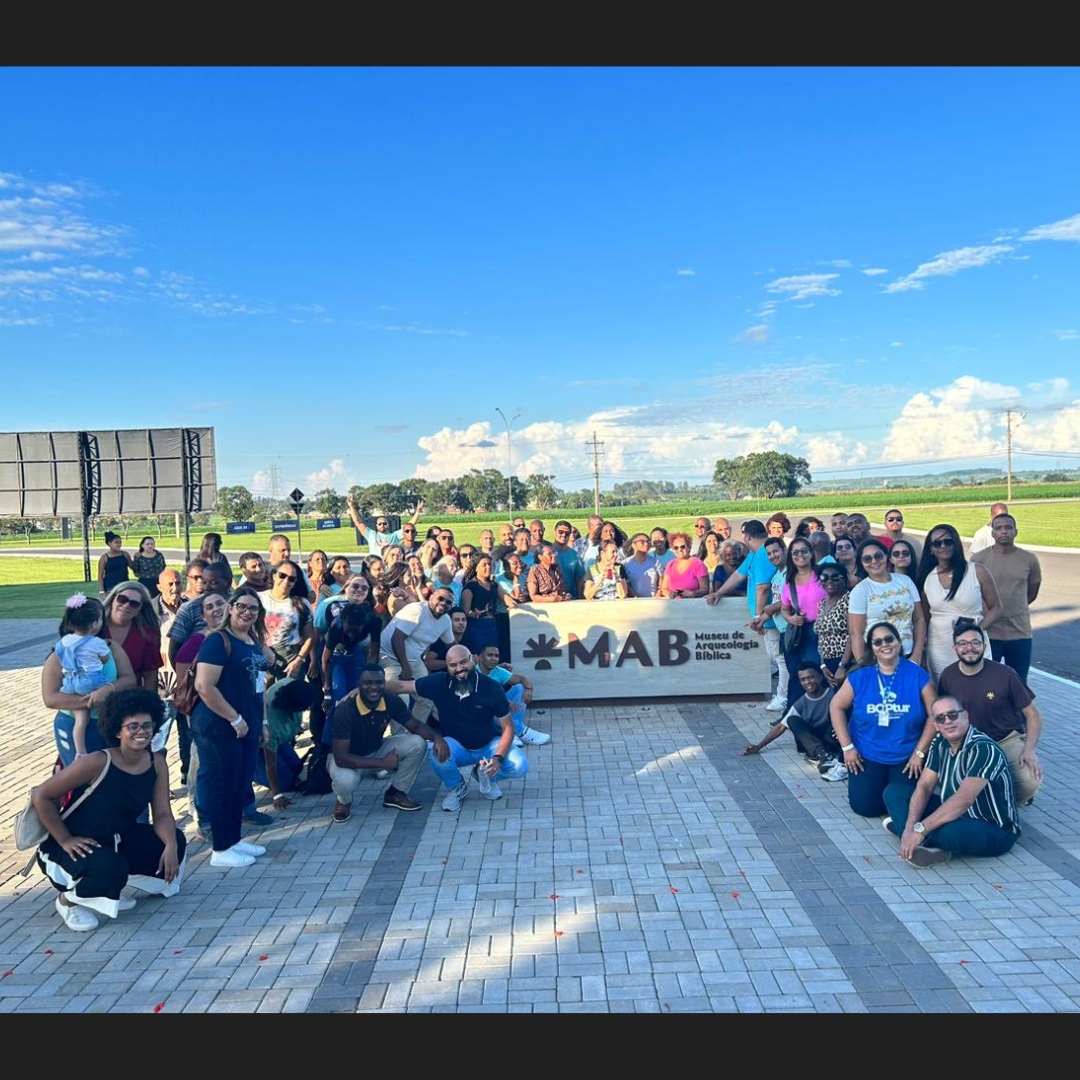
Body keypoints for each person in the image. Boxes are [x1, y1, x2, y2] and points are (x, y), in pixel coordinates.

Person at [33, 687, 185, 932]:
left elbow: (163, 815)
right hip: (68, 847)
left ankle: (112, 886)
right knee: (112, 868)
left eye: (147, 726)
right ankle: (68, 901)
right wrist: (65, 839)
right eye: (133, 726)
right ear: (117, 730)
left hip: (112, 840)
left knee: (174, 839)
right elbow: (42, 795)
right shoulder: (98, 761)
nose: (141, 732)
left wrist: (170, 846)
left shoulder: (156, 762)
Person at [881, 695, 1020, 867]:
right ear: (936, 725)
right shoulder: (940, 743)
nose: (947, 721)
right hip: (954, 812)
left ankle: (914, 839)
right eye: (940, 718)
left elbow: (963, 800)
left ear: (966, 716)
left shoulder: (983, 748)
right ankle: (913, 840)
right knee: (894, 792)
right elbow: (924, 787)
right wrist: (911, 827)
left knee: (946, 830)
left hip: (993, 828)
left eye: (953, 715)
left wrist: (921, 829)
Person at [390, 645, 529, 812]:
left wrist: (498, 758)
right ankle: (457, 787)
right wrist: (362, 688)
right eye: (453, 665)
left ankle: (484, 772)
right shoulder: (439, 682)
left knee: (520, 765)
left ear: (473, 660)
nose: (459, 669)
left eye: (464, 662)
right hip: (458, 746)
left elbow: (508, 727)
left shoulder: (491, 687)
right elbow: (401, 687)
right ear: (447, 667)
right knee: (437, 754)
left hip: (488, 744)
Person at [191, 587, 272, 868]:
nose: (247, 613)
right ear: (230, 608)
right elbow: (204, 685)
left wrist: (260, 722)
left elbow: (257, 686)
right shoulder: (218, 641)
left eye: (253, 609)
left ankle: (234, 839)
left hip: (247, 725)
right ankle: (221, 849)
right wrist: (234, 718)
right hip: (218, 725)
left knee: (239, 784)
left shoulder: (252, 641)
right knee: (222, 786)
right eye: (242, 606)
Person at [828, 621, 937, 818]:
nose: (885, 644)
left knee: (907, 802)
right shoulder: (860, 677)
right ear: (872, 649)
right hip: (867, 754)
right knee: (865, 808)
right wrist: (847, 748)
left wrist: (920, 753)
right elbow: (836, 706)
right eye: (877, 642)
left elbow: (935, 715)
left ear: (898, 642)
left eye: (889, 639)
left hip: (906, 756)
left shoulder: (917, 674)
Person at [937, 623, 1043, 805]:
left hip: (1005, 740)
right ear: (955, 648)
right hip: (969, 744)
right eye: (962, 643)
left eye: (975, 642)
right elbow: (941, 715)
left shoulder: (1005, 674)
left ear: (984, 647)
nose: (969, 648)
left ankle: (1008, 806)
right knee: (954, 786)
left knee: (1029, 780)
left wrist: (1029, 750)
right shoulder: (948, 676)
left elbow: (1033, 715)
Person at [328, 666, 447, 821]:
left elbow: (414, 725)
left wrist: (437, 738)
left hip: (376, 749)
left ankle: (396, 793)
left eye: (379, 682)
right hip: (348, 759)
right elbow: (341, 757)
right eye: (368, 683)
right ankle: (344, 802)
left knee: (418, 743)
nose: (374, 687)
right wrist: (382, 762)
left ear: (385, 684)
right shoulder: (345, 710)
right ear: (359, 684)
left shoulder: (390, 700)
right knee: (345, 782)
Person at [916, 523, 1002, 682]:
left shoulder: (977, 572)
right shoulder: (927, 578)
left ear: (956, 543)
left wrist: (977, 630)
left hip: (972, 644)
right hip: (939, 646)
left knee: (979, 688)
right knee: (944, 690)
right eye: (937, 543)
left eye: (948, 541)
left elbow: (996, 608)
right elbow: (924, 617)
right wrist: (920, 647)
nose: (943, 546)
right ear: (931, 549)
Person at [173, 591, 231, 815]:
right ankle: (198, 811)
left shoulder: (239, 636)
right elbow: (183, 682)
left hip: (233, 710)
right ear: (204, 616)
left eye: (220, 604)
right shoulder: (196, 641)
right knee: (203, 763)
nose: (216, 609)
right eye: (210, 607)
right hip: (204, 711)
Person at [741, 664, 848, 781]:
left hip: (833, 738)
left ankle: (829, 757)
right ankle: (823, 757)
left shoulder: (833, 695)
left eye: (811, 677)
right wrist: (759, 746)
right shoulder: (801, 702)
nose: (807, 682)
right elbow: (781, 727)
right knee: (792, 720)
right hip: (813, 742)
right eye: (803, 679)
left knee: (839, 714)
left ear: (820, 678)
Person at [971, 513, 1041, 684]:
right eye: (998, 528)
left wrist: (1017, 606)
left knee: (1018, 683)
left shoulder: (1029, 559)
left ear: (1015, 532)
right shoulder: (978, 559)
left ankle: (1017, 712)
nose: (1003, 531)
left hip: (1019, 633)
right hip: (988, 633)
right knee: (986, 683)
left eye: (1008, 527)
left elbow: (1032, 591)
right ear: (992, 533)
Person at [379, 589, 456, 725]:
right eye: (440, 598)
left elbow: (452, 646)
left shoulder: (445, 621)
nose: (444, 603)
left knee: (427, 697)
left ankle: (413, 735)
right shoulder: (418, 610)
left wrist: (467, 659)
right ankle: (395, 738)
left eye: (448, 602)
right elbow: (396, 638)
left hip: (413, 660)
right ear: (431, 597)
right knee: (400, 700)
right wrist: (405, 667)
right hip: (390, 656)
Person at [52, 594, 114, 761]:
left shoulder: (64, 642)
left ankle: (80, 751)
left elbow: (60, 655)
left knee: (81, 718)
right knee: (104, 703)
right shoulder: (96, 642)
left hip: (71, 681)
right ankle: (106, 730)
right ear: (95, 624)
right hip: (91, 680)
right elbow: (105, 658)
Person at [847, 538, 926, 666]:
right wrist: (865, 667)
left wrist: (917, 654)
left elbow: (919, 619)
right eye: (867, 559)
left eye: (878, 556)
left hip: (910, 655)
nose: (874, 561)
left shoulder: (905, 581)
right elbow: (856, 633)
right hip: (879, 660)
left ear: (886, 557)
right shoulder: (861, 590)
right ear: (861, 563)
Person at [778, 537, 826, 705]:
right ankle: (793, 713)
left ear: (811, 553)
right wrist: (791, 618)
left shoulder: (822, 575)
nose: (800, 555)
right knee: (797, 675)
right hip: (799, 632)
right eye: (795, 552)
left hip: (821, 631)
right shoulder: (789, 580)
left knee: (815, 675)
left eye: (804, 551)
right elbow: (785, 608)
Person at [474, 644, 551, 745]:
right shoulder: (473, 672)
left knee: (520, 688)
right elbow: (483, 695)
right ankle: (519, 731)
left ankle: (510, 731)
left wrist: (528, 689)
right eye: (490, 655)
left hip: (498, 711)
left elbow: (523, 679)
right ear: (480, 657)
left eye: (496, 656)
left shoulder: (498, 671)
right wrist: (505, 702)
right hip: (481, 715)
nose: (494, 658)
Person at [166, 560, 238, 667]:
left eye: (213, 582)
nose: (207, 587)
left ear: (228, 582)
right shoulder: (189, 608)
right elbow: (174, 650)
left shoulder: (241, 605)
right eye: (205, 582)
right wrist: (185, 679)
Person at [262, 676, 319, 809]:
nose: (307, 709)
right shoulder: (273, 725)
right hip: (260, 746)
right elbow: (271, 764)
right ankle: (254, 771)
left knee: (296, 769)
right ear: (293, 708)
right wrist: (277, 795)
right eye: (305, 708)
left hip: (281, 741)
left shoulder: (289, 685)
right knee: (286, 784)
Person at [748, 537, 790, 712]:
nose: (773, 556)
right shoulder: (777, 575)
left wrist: (770, 609)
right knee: (778, 659)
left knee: (782, 661)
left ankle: (783, 696)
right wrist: (761, 618)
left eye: (776, 551)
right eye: (770, 553)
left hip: (791, 627)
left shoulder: (791, 573)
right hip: (780, 625)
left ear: (784, 550)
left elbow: (792, 599)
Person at [258, 559, 315, 682]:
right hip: (261, 654)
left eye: (291, 579)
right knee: (260, 696)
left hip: (290, 657)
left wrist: (299, 660)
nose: (286, 581)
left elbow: (309, 636)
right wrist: (264, 649)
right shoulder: (258, 599)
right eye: (282, 576)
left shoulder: (302, 604)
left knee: (289, 697)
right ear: (274, 576)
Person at [322, 597, 383, 710]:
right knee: (339, 699)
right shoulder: (336, 629)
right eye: (348, 630)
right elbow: (326, 661)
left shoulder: (374, 623)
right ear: (343, 621)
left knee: (357, 695)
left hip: (355, 652)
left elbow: (373, 654)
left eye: (355, 632)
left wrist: (369, 678)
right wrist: (327, 690)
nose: (351, 635)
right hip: (335, 654)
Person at [103, 581, 163, 691]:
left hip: (130, 698)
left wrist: (146, 707)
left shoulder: (147, 635)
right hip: (92, 695)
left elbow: (150, 676)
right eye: (122, 599)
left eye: (134, 604)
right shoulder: (94, 627)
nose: (126, 605)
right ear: (113, 600)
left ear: (139, 610)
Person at [814, 562, 853, 688]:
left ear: (844, 579)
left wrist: (843, 666)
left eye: (835, 577)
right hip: (827, 663)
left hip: (845, 660)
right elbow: (821, 637)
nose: (829, 581)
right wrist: (822, 665)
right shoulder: (822, 603)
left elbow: (854, 634)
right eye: (824, 577)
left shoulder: (849, 600)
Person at [345, 494, 425, 555]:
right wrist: (352, 506)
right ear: (376, 525)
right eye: (379, 524)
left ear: (388, 525)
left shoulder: (395, 536)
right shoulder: (371, 535)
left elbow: (409, 525)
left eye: (384, 523)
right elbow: (358, 522)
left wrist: (417, 512)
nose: (382, 525)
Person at [461, 554, 500, 654]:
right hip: (476, 626)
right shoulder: (470, 586)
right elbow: (466, 610)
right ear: (476, 568)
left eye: (489, 564)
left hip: (492, 625)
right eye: (484, 565)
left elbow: (507, 599)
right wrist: (475, 613)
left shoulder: (494, 585)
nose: (488, 567)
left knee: (492, 655)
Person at [659, 532, 709, 598]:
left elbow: (705, 589)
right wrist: (669, 594)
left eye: (682, 547)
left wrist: (693, 593)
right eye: (676, 548)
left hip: (693, 604)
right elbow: (664, 588)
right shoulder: (670, 564)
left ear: (689, 547)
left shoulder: (698, 564)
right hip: (673, 604)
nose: (679, 550)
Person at [551, 520, 587, 599]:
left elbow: (579, 579)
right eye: (560, 532)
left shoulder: (575, 555)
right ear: (554, 532)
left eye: (567, 533)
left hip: (570, 598)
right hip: (550, 598)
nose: (563, 535)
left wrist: (580, 598)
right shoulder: (547, 552)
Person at [623, 533, 661, 598]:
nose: (646, 544)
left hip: (654, 599)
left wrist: (657, 596)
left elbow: (661, 582)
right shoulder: (625, 564)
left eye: (648, 542)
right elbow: (626, 584)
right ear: (633, 545)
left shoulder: (655, 562)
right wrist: (635, 597)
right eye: (642, 542)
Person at [97, 531, 133, 596]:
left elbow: (133, 567)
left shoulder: (125, 554)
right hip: (110, 587)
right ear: (109, 543)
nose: (119, 545)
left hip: (124, 585)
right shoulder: (104, 557)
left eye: (120, 542)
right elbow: (100, 575)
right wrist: (101, 591)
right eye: (116, 542)